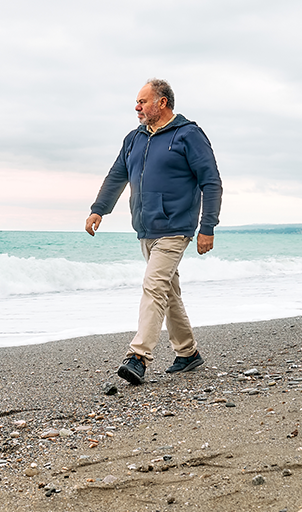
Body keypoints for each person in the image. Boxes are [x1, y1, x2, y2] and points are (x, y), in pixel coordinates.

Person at [85, 78, 222, 385]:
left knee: (153, 286)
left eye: (143, 101)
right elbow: (117, 175)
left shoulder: (189, 135)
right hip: (146, 229)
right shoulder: (134, 139)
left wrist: (207, 226)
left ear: (162, 102)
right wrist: (99, 209)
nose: (137, 107)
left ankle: (138, 357)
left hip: (176, 228)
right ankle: (188, 353)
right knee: (168, 292)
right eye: (137, 102)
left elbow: (211, 181)